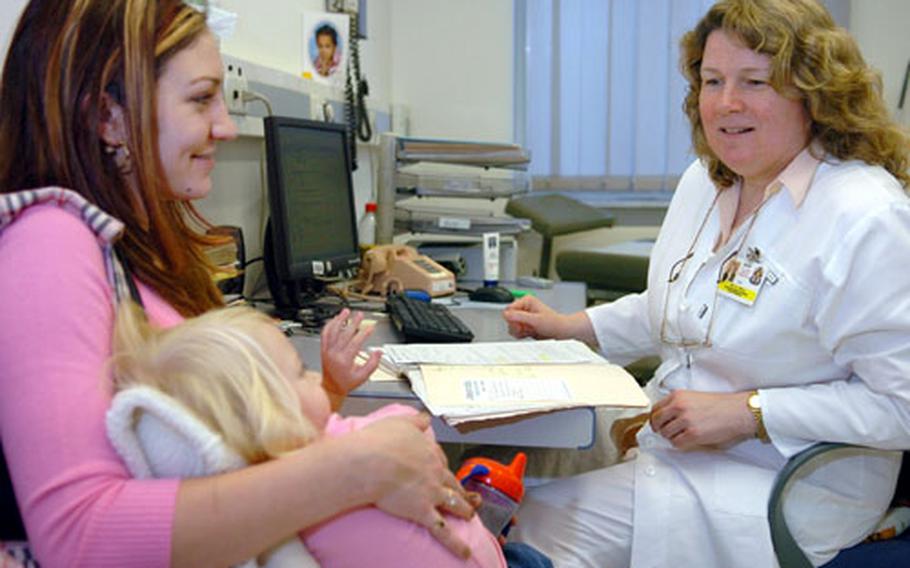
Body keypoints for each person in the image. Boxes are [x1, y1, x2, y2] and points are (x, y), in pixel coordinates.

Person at [0, 1, 476, 566]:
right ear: (108, 117)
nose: (225, 126)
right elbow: (79, 537)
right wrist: (361, 468)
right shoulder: (48, 241)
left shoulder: (138, 246)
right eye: (201, 99)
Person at [502, 0, 910, 566]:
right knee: (510, 449)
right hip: (675, 437)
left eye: (756, 81)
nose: (726, 102)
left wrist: (751, 412)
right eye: (713, 80)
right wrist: (574, 327)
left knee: (530, 525)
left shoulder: (864, 215)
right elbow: (679, 306)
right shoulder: (707, 181)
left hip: (786, 479)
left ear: (815, 93)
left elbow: (900, 403)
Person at [107, 303, 507, 568]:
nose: (315, 377)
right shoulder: (322, 491)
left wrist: (331, 391)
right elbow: (409, 426)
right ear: (272, 413)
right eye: (301, 372)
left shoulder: (279, 496)